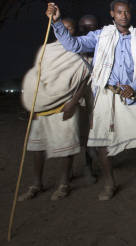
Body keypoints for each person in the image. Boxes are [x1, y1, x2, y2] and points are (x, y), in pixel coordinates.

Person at [46, 0, 136, 200]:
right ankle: (110, 184)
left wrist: (134, 86)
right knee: (103, 142)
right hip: (105, 94)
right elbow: (73, 45)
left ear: (131, 14)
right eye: (120, 12)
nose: (124, 16)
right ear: (112, 14)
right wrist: (57, 23)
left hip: (130, 95)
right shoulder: (101, 35)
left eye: (127, 12)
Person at [18, 18, 90, 201]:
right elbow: (35, 76)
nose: (66, 30)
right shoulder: (46, 50)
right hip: (42, 105)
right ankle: (36, 183)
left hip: (65, 106)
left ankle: (64, 183)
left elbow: (83, 80)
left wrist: (73, 103)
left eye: (71, 28)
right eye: (63, 27)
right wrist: (32, 104)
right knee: (38, 147)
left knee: (67, 147)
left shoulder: (80, 52)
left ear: (74, 32)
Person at [77, 14, 101, 185]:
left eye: (92, 27)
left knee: (94, 130)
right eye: (85, 27)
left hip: (97, 96)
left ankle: (88, 167)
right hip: (76, 96)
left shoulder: (101, 48)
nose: (89, 30)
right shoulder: (74, 48)